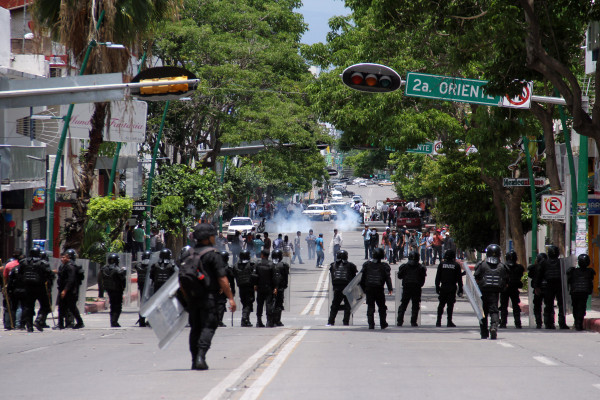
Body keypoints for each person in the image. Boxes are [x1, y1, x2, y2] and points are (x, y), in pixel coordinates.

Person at [180, 223, 236, 370]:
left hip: (192, 298)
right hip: (209, 298)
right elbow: (222, 279)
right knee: (208, 327)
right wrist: (230, 297)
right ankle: (201, 356)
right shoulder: (213, 255)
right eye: (213, 235)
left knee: (195, 328)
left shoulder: (188, 254)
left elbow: (181, 279)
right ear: (208, 237)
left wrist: (187, 297)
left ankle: (194, 359)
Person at [474, 244, 509, 339]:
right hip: (495, 292)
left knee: (483, 312)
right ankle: (493, 327)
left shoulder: (482, 265)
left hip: (484, 291)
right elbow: (506, 280)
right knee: (494, 310)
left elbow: (476, 277)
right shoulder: (502, 266)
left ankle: (484, 332)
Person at [535, 245, 568, 329]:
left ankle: (548, 323)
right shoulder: (562, 262)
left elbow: (539, 275)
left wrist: (537, 286)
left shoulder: (544, 262)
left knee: (549, 304)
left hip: (549, 285)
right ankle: (562, 323)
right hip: (559, 285)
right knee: (561, 305)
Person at [360, 247, 393, 330]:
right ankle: (383, 323)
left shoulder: (367, 265)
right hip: (379, 289)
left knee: (370, 306)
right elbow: (387, 278)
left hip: (369, 288)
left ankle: (371, 324)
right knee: (382, 307)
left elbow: (362, 278)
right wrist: (390, 288)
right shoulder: (384, 266)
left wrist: (363, 289)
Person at [19, 247, 51, 332]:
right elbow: (49, 274)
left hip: (28, 287)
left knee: (29, 307)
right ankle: (39, 320)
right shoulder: (43, 263)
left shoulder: (23, 262)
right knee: (45, 306)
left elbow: (20, 273)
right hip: (40, 287)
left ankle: (29, 326)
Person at [55, 249, 84, 330]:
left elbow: (70, 280)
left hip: (70, 291)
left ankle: (80, 322)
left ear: (68, 258)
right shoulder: (63, 266)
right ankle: (60, 324)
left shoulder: (71, 266)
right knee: (61, 307)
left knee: (72, 307)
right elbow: (63, 275)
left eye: (63, 257)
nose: (62, 259)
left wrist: (65, 290)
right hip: (63, 289)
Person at [397, 250, 427, 327]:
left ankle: (400, 321)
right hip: (416, 288)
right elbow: (423, 280)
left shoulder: (405, 266)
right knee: (415, 305)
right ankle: (413, 322)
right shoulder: (421, 267)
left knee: (403, 305)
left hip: (407, 287)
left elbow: (399, 276)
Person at [327, 250, 357, 326]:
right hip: (348, 289)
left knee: (335, 305)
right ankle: (346, 322)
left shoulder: (332, 265)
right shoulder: (351, 265)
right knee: (348, 306)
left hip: (337, 289)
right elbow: (354, 277)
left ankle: (331, 321)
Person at [566, 254, 596, 331]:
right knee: (581, 307)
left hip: (575, 292)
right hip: (583, 292)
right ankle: (579, 323)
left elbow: (569, 281)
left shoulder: (573, 271)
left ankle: (577, 323)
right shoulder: (590, 271)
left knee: (576, 307)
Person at [435, 249, 463, 327]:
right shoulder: (456, 265)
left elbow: (437, 277)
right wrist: (460, 289)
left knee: (441, 304)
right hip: (452, 287)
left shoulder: (441, 264)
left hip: (443, 287)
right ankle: (449, 321)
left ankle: (438, 321)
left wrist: (437, 287)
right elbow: (459, 279)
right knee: (450, 305)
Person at [499, 250, 525, 329]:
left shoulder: (502, 267)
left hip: (505, 289)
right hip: (514, 288)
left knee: (504, 306)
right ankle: (518, 323)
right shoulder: (519, 267)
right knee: (516, 307)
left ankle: (503, 323)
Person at [99, 253, 126, 327]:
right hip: (117, 290)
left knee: (112, 305)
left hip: (109, 290)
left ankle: (113, 321)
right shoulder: (117, 269)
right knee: (117, 306)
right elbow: (123, 280)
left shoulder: (104, 269)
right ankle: (114, 321)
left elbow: (101, 280)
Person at [253, 249, 278, 328]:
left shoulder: (257, 264)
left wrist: (255, 284)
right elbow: (274, 277)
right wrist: (276, 287)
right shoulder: (271, 264)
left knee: (259, 304)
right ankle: (269, 322)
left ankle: (258, 321)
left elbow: (254, 275)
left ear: (262, 255)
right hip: (269, 287)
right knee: (269, 304)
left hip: (260, 287)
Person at [3, 249, 24, 330]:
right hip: (22, 288)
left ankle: (10, 324)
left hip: (11, 288)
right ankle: (18, 324)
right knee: (20, 306)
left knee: (11, 306)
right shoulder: (23, 265)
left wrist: (5, 287)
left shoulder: (8, 265)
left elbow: (5, 278)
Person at [233, 250, 255, 327]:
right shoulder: (251, 265)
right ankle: (245, 318)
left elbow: (235, 275)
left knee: (245, 303)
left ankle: (245, 320)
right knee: (248, 304)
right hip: (249, 287)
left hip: (241, 287)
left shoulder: (235, 266)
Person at [527, 253, 547, 329]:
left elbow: (530, 274)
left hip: (538, 288)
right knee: (548, 305)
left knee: (537, 306)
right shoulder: (549, 267)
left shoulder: (535, 267)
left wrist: (536, 287)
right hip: (547, 289)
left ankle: (539, 322)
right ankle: (548, 322)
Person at [216, 251, 236, 327]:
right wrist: (233, 291)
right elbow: (232, 281)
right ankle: (219, 320)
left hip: (215, 288)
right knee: (221, 303)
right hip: (223, 288)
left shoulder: (216, 267)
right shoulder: (228, 269)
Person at [134, 250, 152, 327]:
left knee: (143, 303)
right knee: (151, 303)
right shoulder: (152, 266)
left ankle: (142, 320)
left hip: (141, 287)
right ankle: (149, 320)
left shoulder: (138, 265)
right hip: (150, 287)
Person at [271, 249, 290, 326]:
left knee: (271, 303)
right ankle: (277, 320)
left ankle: (271, 320)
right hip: (279, 288)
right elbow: (285, 277)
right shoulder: (284, 265)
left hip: (270, 287)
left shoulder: (270, 264)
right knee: (278, 304)